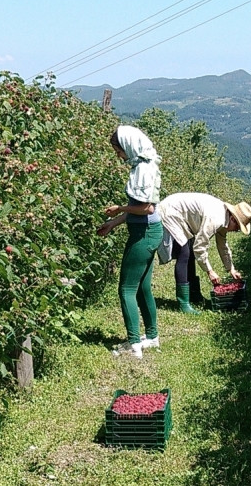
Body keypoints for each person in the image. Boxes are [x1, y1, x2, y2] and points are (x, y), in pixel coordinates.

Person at [96, 125, 163, 359]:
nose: (118, 155)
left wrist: (119, 207)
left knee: (126, 289)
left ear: (127, 146)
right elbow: (139, 209)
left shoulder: (142, 169)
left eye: (118, 150)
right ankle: (152, 337)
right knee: (143, 286)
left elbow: (145, 208)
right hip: (152, 231)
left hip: (143, 234)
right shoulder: (145, 164)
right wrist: (114, 222)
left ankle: (134, 344)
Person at [156, 192, 251, 314]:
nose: (236, 230)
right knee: (184, 253)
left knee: (189, 254)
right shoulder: (216, 218)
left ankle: (194, 295)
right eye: (237, 227)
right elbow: (200, 247)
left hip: (180, 214)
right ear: (233, 219)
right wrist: (210, 271)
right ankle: (183, 303)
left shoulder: (225, 218)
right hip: (171, 211)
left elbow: (222, 245)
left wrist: (231, 269)